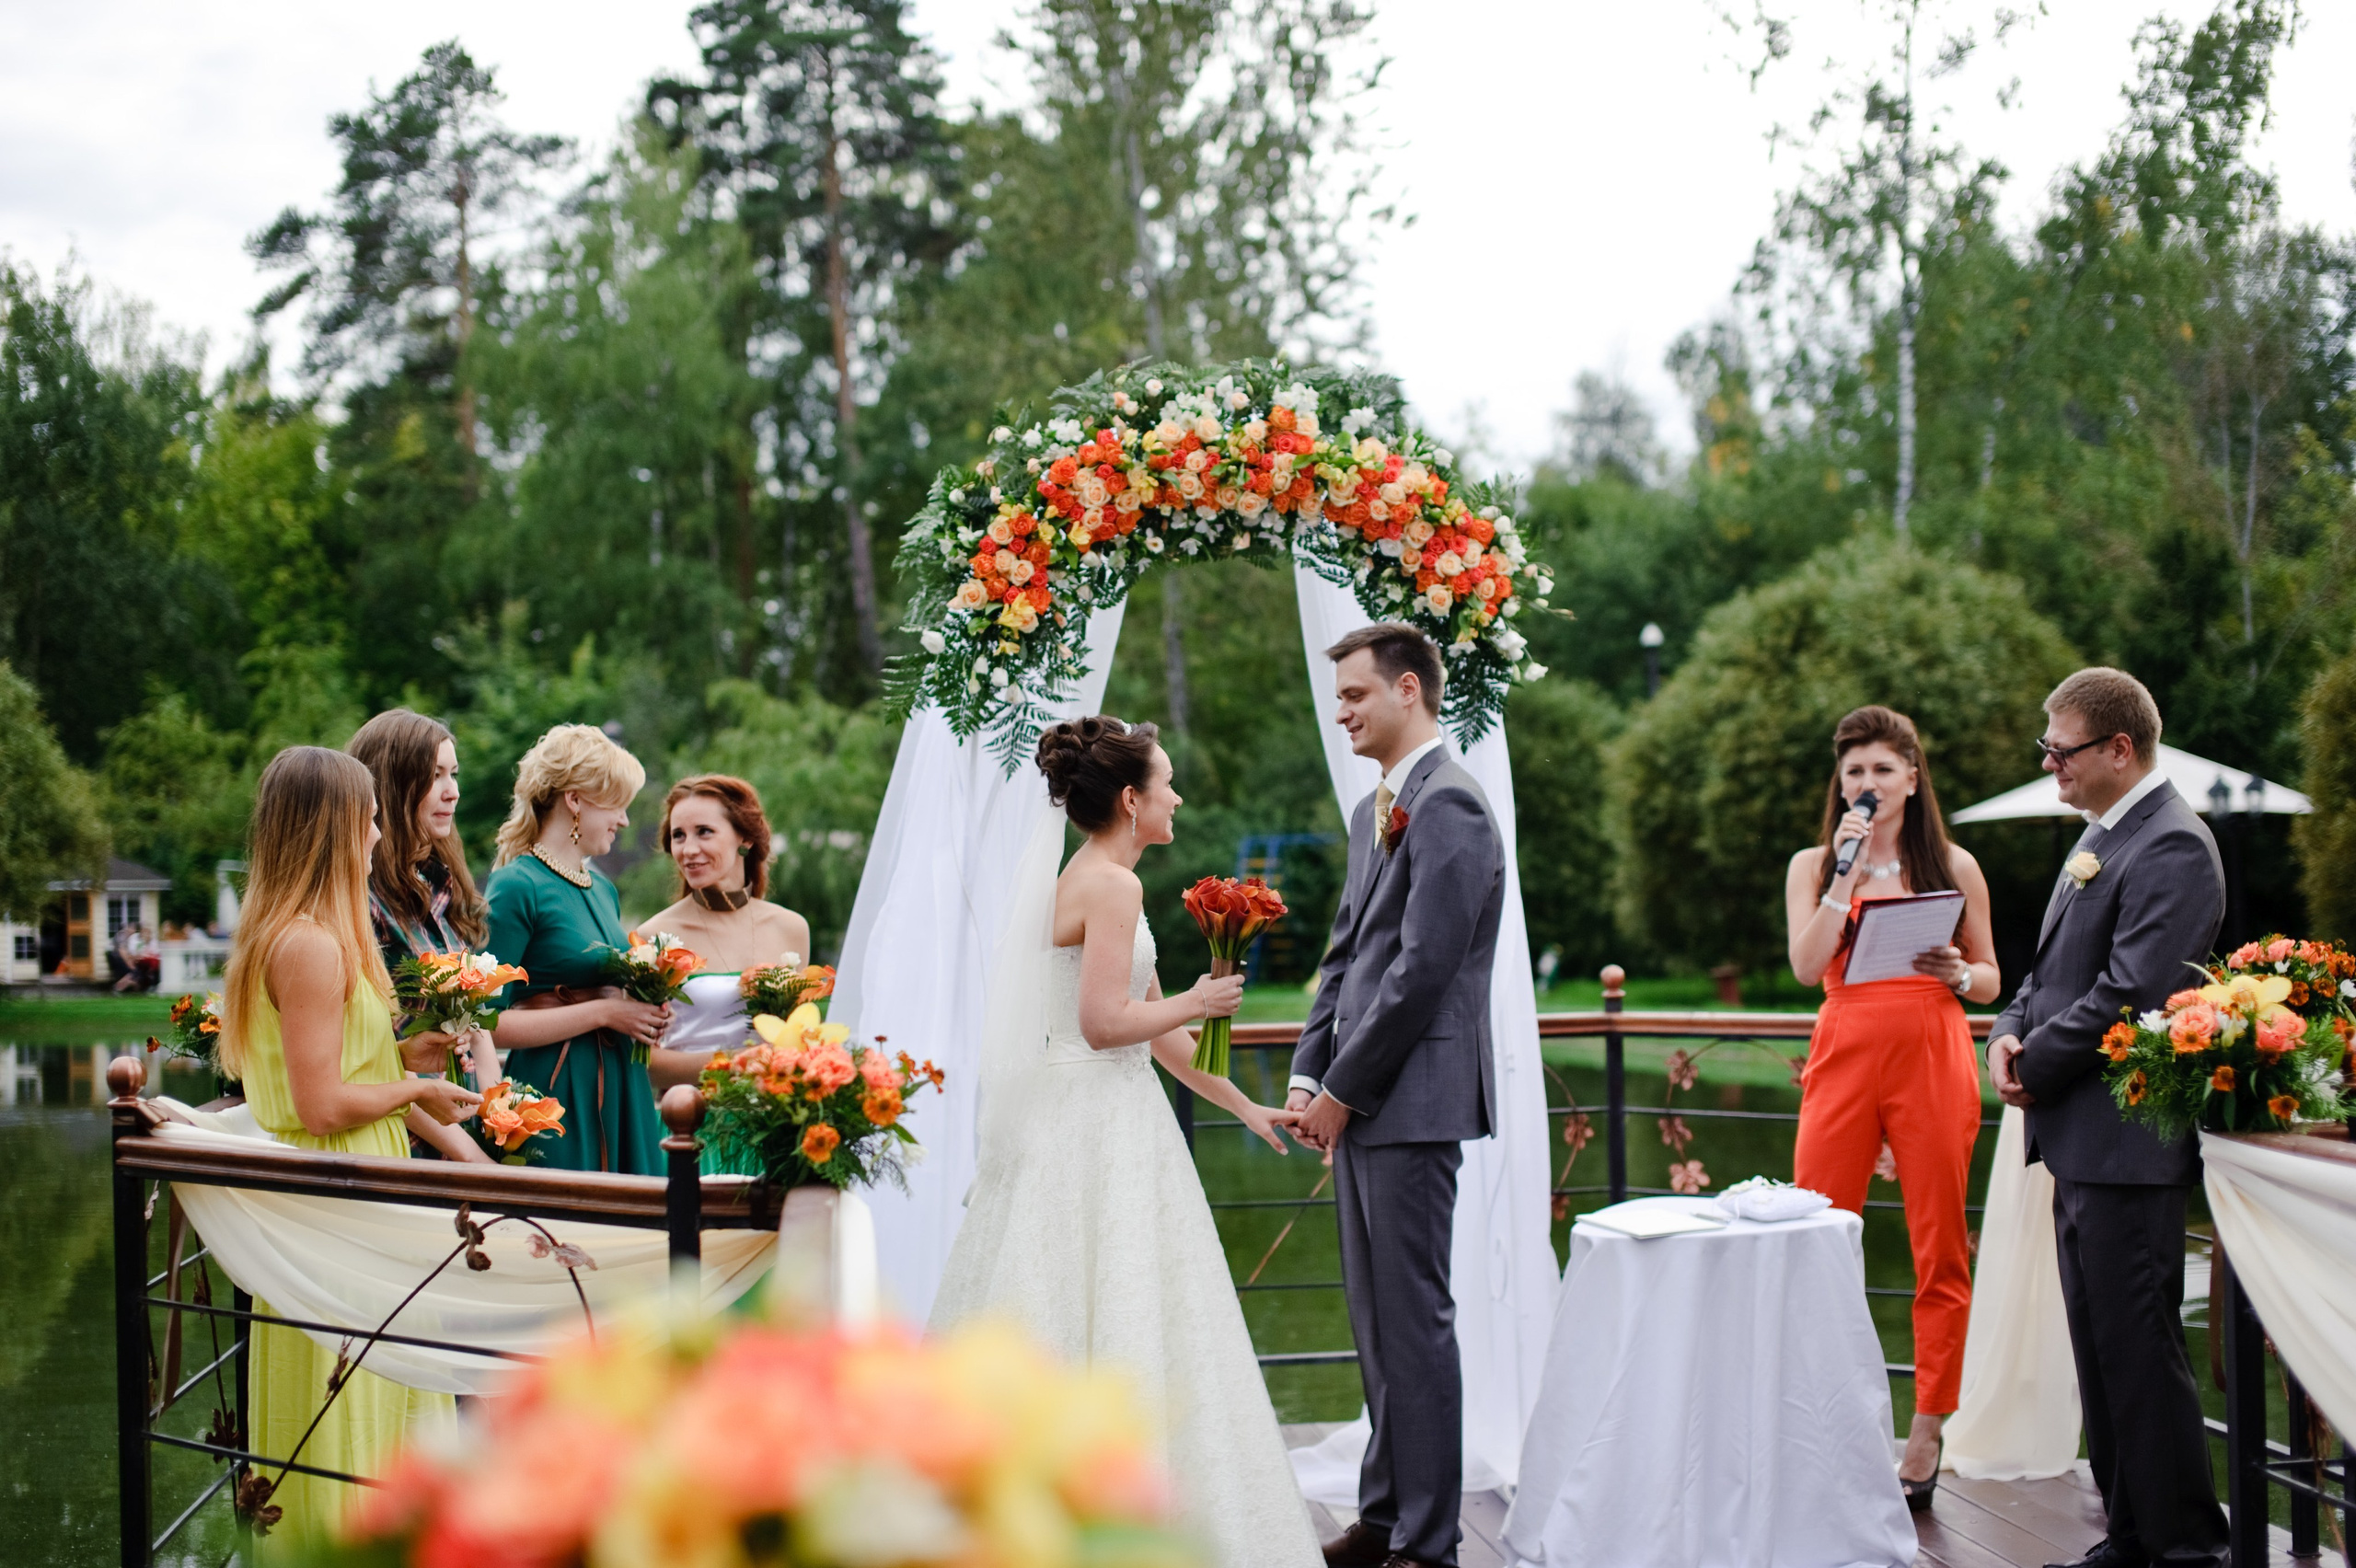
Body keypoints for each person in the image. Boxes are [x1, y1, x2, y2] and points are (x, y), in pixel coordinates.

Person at [930, 715, 1319, 1568]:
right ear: (1133, 799)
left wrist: (1245, 1108)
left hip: (1105, 1112)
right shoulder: (1112, 887)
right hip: (1091, 1123)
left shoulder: (1093, 877)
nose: (1178, 797)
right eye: (1168, 783)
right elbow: (1107, 1025)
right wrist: (1199, 1000)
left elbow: (1156, 1040)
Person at [1986, 669, 2228, 1568]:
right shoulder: (2098, 838)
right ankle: (2128, 1539)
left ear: (2117, 750)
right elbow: (2044, 975)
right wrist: (2006, 1034)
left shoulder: (2170, 845)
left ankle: (2182, 1548)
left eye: (2060, 748)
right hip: (2081, 1142)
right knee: (2102, 1354)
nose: (2049, 763)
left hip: (2127, 1141)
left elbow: (2132, 992)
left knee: (2139, 1350)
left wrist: (2034, 1066)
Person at [214, 746, 479, 1550]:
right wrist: (413, 1092)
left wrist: (408, 1059)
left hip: (357, 1198)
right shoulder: (309, 946)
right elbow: (320, 1103)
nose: (377, 833)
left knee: (387, 1401)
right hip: (335, 1207)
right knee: (348, 1414)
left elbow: (337, 1071)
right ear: (335, 829)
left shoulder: (316, 938)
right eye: (367, 817)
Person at [1287, 624, 1505, 1568]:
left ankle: (1428, 1538)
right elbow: (1345, 953)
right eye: (1338, 696)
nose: (1340, 711)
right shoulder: (1373, 809)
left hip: (1411, 1103)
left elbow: (1421, 973)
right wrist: (1306, 1071)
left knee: (1414, 1320)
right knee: (1375, 1321)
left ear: (1408, 690)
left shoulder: (1450, 805)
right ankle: (1381, 1517)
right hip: (1364, 1102)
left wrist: (1343, 1088)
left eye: (1353, 696)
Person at [1784, 704, 2000, 1508]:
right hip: (1844, 1052)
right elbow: (1807, 967)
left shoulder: (1953, 863)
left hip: (1932, 1051)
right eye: (1853, 773)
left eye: (1881, 769)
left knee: (1939, 1245)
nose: (1866, 785)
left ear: (1912, 777)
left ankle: (1928, 1426)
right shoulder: (1813, 863)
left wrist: (1956, 973)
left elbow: (1991, 978)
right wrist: (1843, 876)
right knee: (1817, 1237)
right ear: (1839, 786)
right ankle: (1824, 1417)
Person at [480, 724, 681, 1175]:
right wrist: (604, 1014)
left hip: (623, 1083)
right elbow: (486, 1023)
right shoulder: (517, 885)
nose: (625, 820)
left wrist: (639, 1007)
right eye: (616, 804)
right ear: (574, 799)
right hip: (557, 1096)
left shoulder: (604, 890)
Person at [348, 710, 502, 1166]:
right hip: (407, 1142)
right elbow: (371, 1063)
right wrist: (472, 1157)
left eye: (453, 774)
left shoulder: (440, 881)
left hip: (466, 1127)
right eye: (434, 777)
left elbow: (476, 1023)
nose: (452, 791)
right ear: (392, 786)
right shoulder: (362, 901)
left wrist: (499, 1114)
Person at [641, 775, 815, 1170]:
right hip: (688, 1130)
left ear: (745, 838)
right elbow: (644, 1062)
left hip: (773, 1127)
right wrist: (737, 1062)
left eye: (704, 832)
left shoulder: (791, 928)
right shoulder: (656, 936)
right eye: (678, 836)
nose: (689, 849)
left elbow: (800, 1037)